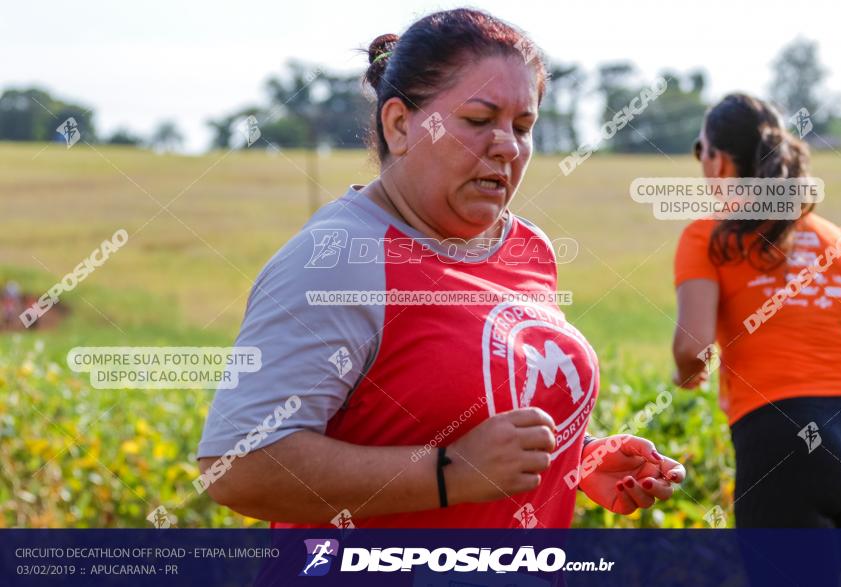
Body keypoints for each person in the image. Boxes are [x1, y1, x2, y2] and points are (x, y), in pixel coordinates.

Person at [198, 7, 684, 528]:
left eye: (523, 126)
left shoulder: (528, 248)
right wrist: (450, 473)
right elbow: (239, 468)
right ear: (400, 125)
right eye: (478, 121)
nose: (506, 146)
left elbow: (469, 415)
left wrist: (573, 457)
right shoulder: (338, 258)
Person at [673, 93, 841, 527]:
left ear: (719, 163)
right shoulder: (839, 239)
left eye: (701, 150)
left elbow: (693, 346)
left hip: (781, 438)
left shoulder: (707, 237)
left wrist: (688, 375)